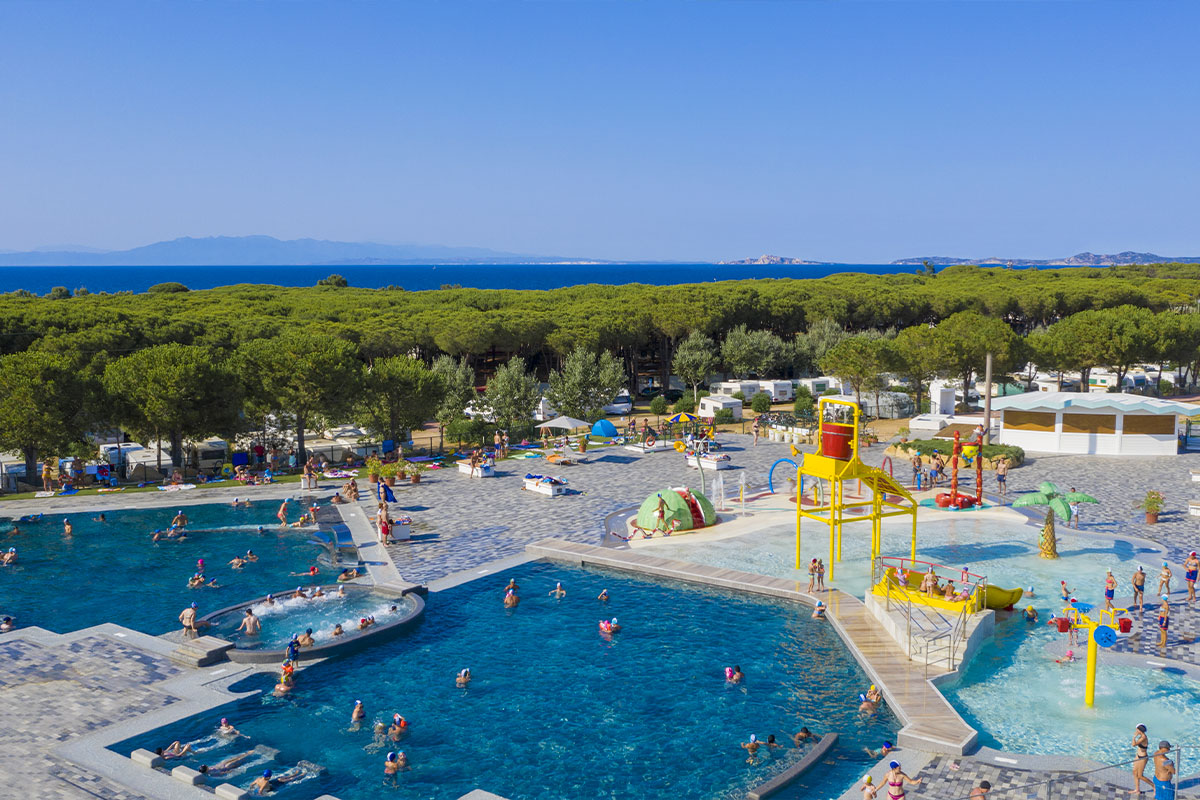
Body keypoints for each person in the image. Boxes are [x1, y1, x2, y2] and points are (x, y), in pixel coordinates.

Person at [1132, 724, 1153, 795]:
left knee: (1140, 775)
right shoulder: (1141, 736)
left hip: (1143, 758)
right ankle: (1137, 790)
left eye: (1137, 729)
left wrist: (1134, 737)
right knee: (1135, 772)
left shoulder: (1143, 737)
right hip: (1138, 756)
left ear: (1139, 730)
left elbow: (1133, 744)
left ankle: (1154, 786)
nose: (1136, 731)